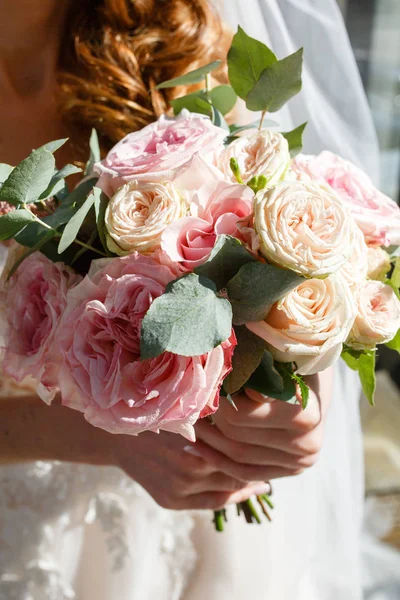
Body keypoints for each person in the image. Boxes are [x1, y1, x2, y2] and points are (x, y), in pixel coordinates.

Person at [0, 1, 378, 598]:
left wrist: (297, 379)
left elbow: (266, 239)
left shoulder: (175, 43)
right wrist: (94, 435)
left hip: (189, 529)